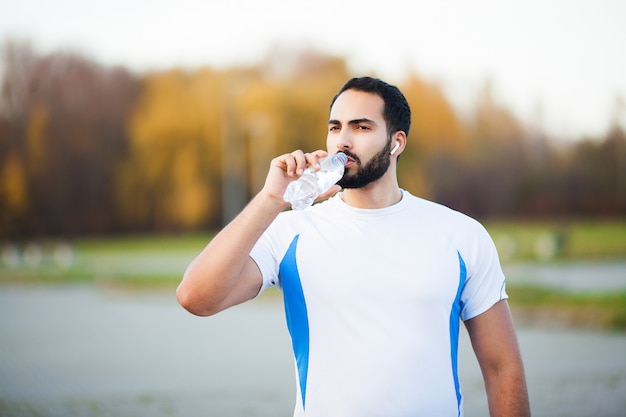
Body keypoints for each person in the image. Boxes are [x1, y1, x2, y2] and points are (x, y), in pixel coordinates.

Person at [177, 76, 530, 417]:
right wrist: (271, 198)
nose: (343, 141)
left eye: (361, 127)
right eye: (335, 127)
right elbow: (196, 297)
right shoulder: (291, 231)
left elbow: (503, 369)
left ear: (397, 142)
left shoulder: (460, 235)